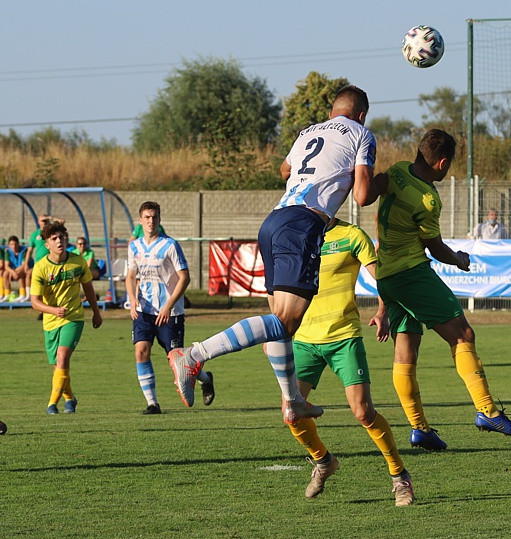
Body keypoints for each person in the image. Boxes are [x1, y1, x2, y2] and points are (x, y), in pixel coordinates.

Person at [168, 85, 379, 424]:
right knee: (285, 321)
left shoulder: (308, 131)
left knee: (281, 327)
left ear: (331, 114)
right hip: (304, 224)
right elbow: (363, 195)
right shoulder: (361, 134)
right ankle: (193, 354)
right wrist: (379, 181)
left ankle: (294, 401)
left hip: (275, 220)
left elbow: (284, 171)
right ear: (362, 115)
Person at [372, 128, 511, 450]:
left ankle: (420, 429)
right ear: (442, 163)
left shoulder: (398, 171)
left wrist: (383, 305)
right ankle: (488, 411)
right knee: (463, 334)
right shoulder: (428, 199)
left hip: (387, 277)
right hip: (412, 273)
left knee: (406, 351)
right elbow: (435, 247)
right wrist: (460, 260)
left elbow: (374, 191)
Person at [281, 217, 414, 506]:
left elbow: (381, 278)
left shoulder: (352, 235)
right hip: (304, 339)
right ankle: (323, 461)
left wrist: (383, 311)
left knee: (364, 412)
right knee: (291, 413)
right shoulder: (294, 234)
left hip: (344, 338)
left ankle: (399, 476)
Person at [125, 202, 214, 414]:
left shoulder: (170, 245)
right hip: (144, 310)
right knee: (141, 352)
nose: (150, 221)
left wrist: (168, 306)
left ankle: (205, 378)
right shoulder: (134, 247)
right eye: (146, 217)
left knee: (177, 360)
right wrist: (132, 299)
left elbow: (185, 277)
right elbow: (130, 275)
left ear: (159, 219)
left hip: (170, 312)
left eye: (154, 217)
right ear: (140, 221)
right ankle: (152, 403)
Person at [29, 221, 103, 414]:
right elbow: (34, 302)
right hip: (51, 321)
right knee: (57, 368)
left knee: (62, 358)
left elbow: (88, 288)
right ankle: (70, 398)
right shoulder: (40, 268)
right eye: (54, 239)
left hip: (74, 317)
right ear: (47, 245)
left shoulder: (77, 262)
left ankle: (51, 404)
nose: (59, 241)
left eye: (61, 237)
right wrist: (52, 310)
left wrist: (96, 312)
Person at [2, 236, 30, 302]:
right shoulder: (7, 252)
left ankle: (22, 294)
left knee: (20, 273)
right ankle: (7, 294)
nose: (14, 246)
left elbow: (23, 265)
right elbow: (6, 266)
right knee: (5, 273)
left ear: (18, 244)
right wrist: (13, 272)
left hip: (24, 269)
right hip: (13, 271)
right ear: (9, 245)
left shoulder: (24, 251)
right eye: (11, 244)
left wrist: (15, 272)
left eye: (15, 244)